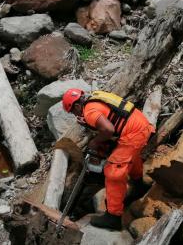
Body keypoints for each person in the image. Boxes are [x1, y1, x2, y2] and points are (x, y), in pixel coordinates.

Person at [62, 89, 154, 230]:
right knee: (131, 157)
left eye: (73, 112)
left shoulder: (89, 111)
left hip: (134, 134)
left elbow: (108, 130)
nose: (75, 115)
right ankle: (139, 185)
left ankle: (113, 217)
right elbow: (111, 118)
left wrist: (95, 142)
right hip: (141, 124)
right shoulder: (94, 98)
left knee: (113, 172)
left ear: (76, 106)